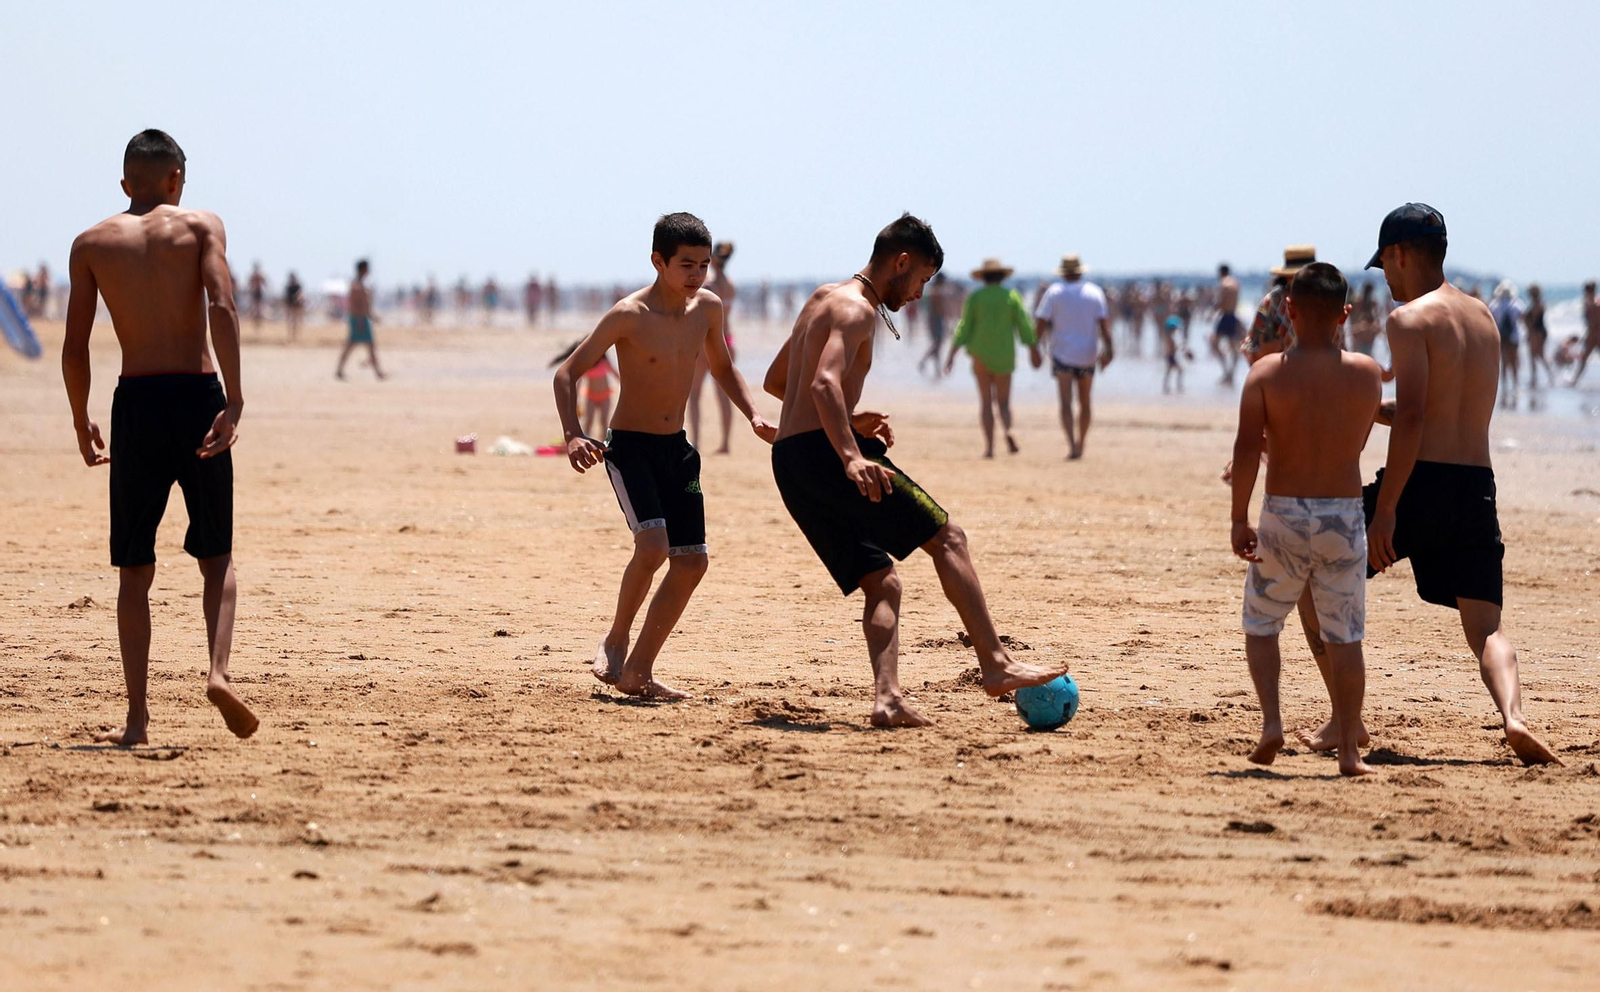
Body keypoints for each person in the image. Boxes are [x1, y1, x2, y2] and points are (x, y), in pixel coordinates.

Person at [762, 213, 1068, 727]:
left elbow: (778, 380)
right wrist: (852, 453)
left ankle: (888, 699)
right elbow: (821, 385)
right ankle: (995, 663)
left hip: (791, 461)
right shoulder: (857, 310)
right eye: (921, 279)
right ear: (901, 262)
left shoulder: (822, 298)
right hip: (825, 455)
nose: (921, 295)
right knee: (949, 538)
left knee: (883, 582)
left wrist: (849, 419)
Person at [1300, 203, 1559, 766]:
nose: (1385, 279)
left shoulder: (1409, 319)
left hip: (1417, 484)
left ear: (1398, 254)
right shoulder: (1483, 317)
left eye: (1384, 266)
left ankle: (1347, 719)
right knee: (1486, 629)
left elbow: (1416, 419)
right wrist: (1370, 408)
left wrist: (1388, 507)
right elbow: (1443, 411)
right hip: (1475, 486)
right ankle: (1514, 717)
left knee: (1309, 575)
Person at [60, 129, 258, 746]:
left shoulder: (92, 243)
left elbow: (74, 347)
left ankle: (137, 718)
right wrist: (234, 399)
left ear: (126, 184)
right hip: (197, 396)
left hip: (136, 402)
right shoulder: (201, 227)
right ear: (178, 178)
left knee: (133, 568)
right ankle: (219, 673)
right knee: (216, 555)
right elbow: (222, 307)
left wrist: (79, 417)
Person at [552, 212, 776, 699]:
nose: (697, 275)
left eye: (704, 265)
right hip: (630, 447)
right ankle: (615, 638)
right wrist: (572, 433)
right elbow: (566, 374)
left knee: (692, 563)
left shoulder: (708, 309)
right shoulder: (629, 315)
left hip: (678, 451)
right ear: (658, 261)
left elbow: (723, 366)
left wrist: (754, 416)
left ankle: (639, 671)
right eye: (686, 265)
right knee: (652, 547)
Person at [1231, 262, 1381, 776]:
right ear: (1345, 313)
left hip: (1284, 512)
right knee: (1345, 636)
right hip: (1343, 513)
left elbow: (1248, 449)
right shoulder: (1366, 374)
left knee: (1262, 622)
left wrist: (1238, 520)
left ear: (1289, 310)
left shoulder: (1265, 374)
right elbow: (1355, 439)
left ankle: (1272, 722)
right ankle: (1349, 752)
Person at [943, 257, 1040, 457]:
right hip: (1004, 354)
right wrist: (1032, 347)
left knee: (986, 403)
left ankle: (989, 448)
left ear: (983, 277)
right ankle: (1008, 430)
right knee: (1003, 402)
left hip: (980, 354)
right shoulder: (1011, 296)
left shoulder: (976, 297)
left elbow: (964, 326)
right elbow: (1023, 324)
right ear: (1002, 276)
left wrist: (952, 353)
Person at [1034, 254, 1114, 459]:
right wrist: (1109, 350)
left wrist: (1034, 347)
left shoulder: (1054, 292)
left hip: (1062, 354)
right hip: (1087, 354)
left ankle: (1072, 444)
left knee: (1066, 402)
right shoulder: (1094, 292)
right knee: (1086, 402)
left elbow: (1041, 322)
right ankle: (1082, 443)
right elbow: (1105, 326)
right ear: (1080, 271)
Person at [687, 241, 737, 454]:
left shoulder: (708, 282)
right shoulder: (730, 284)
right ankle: (725, 443)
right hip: (728, 339)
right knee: (723, 394)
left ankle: (696, 441)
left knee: (695, 393)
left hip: (707, 339)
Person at [1241, 245, 1317, 362]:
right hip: (1282, 373)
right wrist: (1265, 353)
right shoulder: (1273, 302)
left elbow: (1340, 345)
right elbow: (1249, 346)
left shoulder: (1327, 300)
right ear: (1286, 277)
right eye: (1294, 276)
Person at [335, 259, 385, 380]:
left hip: (362, 318)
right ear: (363, 269)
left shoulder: (360, 284)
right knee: (355, 345)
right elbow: (355, 305)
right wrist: (360, 320)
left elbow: (365, 304)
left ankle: (378, 372)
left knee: (363, 345)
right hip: (359, 320)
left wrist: (371, 316)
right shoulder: (356, 285)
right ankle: (378, 373)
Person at [1488, 281, 1523, 408]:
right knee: (1514, 362)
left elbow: (1490, 320)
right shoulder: (1516, 304)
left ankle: (1504, 387)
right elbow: (1522, 318)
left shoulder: (1495, 304)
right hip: (1514, 337)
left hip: (1501, 337)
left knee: (1504, 362)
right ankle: (1515, 386)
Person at [1211, 263, 1242, 384]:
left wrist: (1214, 309)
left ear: (1220, 272)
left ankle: (1226, 371)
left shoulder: (1224, 283)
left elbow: (1221, 302)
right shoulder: (1235, 283)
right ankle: (1231, 373)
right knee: (1233, 346)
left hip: (1226, 316)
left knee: (1215, 344)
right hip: (1233, 315)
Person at [918, 272, 953, 377]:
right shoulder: (935, 292)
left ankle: (936, 369)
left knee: (937, 345)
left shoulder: (934, 291)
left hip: (936, 320)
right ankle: (925, 363)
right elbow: (937, 310)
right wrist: (944, 323)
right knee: (937, 344)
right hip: (936, 320)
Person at [1569, 281, 1599, 385]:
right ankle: (1575, 380)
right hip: (1591, 335)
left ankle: (1575, 380)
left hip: (1597, 335)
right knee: (1584, 358)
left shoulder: (1596, 303)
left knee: (1584, 358)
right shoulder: (1587, 303)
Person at [1523, 283, 1552, 389]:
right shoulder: (1538, 303)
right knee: (1537, 355)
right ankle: (1543, 377)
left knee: (1536, 355)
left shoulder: (1537, 304)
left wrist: (1528, 329)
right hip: (1538, 331)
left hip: (1537, 332)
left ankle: (1538, 378)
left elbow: (1533, 321)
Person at [1347, 282, 1381, 356]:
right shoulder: (1370, 302)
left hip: (1359, 326)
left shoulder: (1359, 301)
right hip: (1365, 326)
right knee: (1367, 351)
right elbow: (1377, 315)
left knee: (1357, 350)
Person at [1160, 314, 1186, 394]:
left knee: (1169, 372)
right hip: (1171, 357)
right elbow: (1172, 348)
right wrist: (1180, 348)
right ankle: (1178, 386)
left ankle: (1167, 387)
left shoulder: (1168, 337)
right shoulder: (1169, 338)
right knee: (1179, 370)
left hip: (1170, 357)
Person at [283, 270, 304, 343]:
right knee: (289, 321)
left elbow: (300, 295)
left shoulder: (297, 286)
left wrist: (298, 299)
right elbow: (286, 297)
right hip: (289, 305)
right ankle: (290, 335)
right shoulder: (288, 287)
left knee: (295, 320)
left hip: (296, 306)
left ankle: (295, 335)